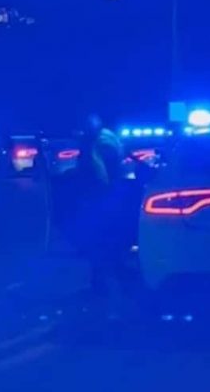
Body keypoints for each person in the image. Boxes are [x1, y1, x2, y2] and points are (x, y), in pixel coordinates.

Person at [64, 114, 133, 315]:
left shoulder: (96, 144)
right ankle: (111, 279)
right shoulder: (108, 139)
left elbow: (94, 171)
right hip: (109, 193)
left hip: (101, 195)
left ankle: (108, 282)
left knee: (99, 240)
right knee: (106, 240)